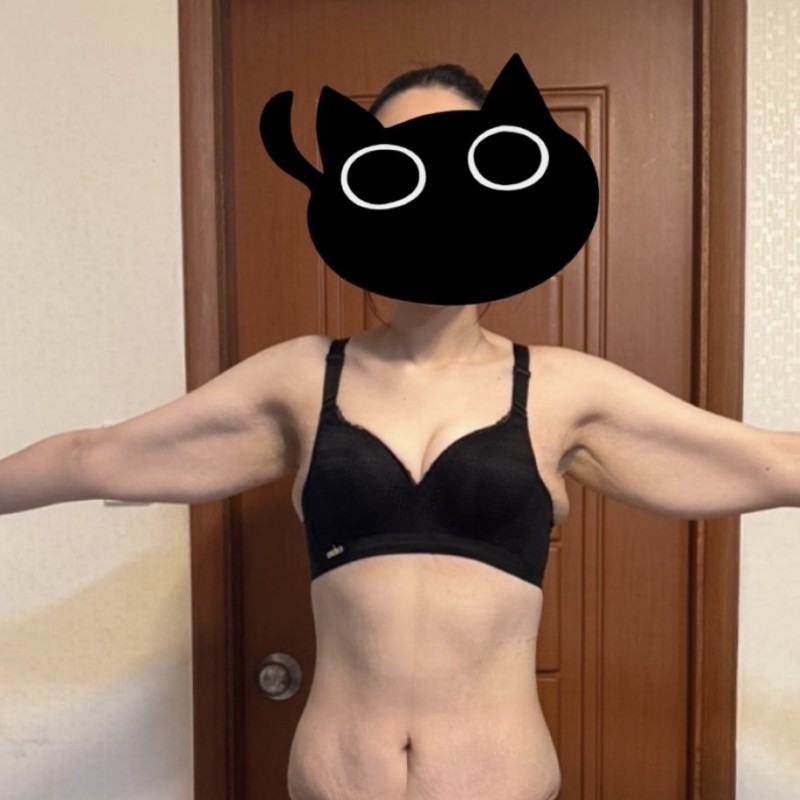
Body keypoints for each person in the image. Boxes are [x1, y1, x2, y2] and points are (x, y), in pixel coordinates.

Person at [0, 63, 797, 800]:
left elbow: (769, 461)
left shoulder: (562, 390)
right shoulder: (302, 378)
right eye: (395, 170)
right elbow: (94, 456)